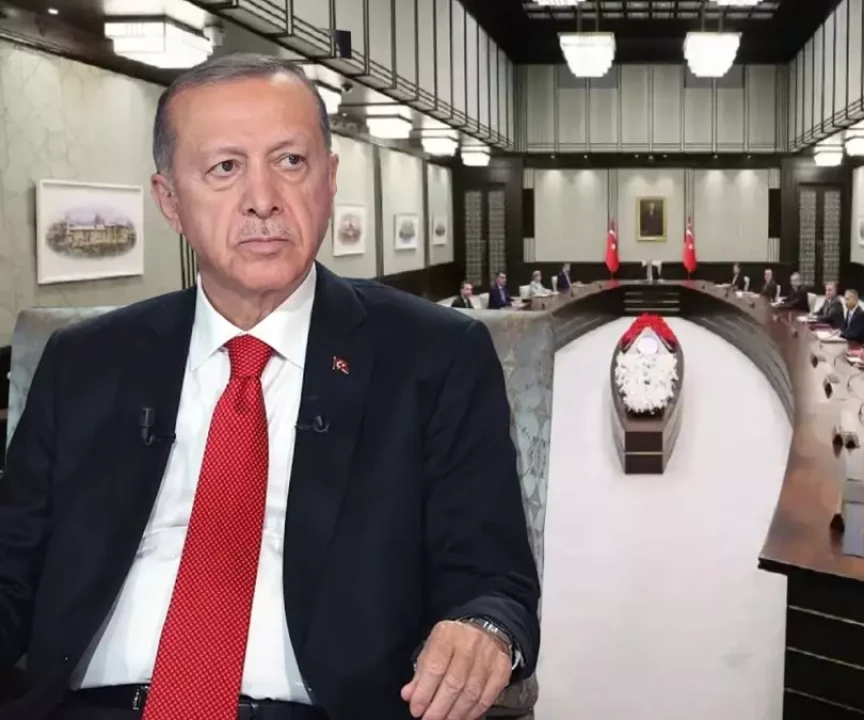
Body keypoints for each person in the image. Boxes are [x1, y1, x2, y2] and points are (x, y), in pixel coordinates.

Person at [0, 54, 539, 720]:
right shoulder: (85, 362)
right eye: (225, 167)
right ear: (170, 201)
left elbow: (495, 581)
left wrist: (483, 629)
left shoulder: (434, 357)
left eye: (290, 161)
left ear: (329, 180)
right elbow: (11, 569)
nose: (262, 199)